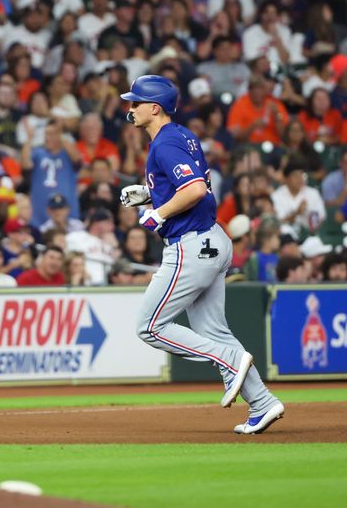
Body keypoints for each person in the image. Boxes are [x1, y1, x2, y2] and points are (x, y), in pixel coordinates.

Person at [119, 75, 284, 435]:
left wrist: (158, 213)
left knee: (149, 327)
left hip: (190, 245)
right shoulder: (181, 135)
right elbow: (191, 186)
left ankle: (229, 361)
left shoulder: (164, 144)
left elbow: (193, 188)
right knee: (213, 330)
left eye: (135, 102)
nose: (130, 108)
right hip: (213, 239)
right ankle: (263, 403)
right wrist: (150, 195)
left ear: (154, 107)